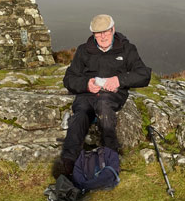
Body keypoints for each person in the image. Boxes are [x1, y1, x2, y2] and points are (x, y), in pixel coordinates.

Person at [55, 14, 151, 177]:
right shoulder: (84, 50)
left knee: (104, 107)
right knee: (80, 115)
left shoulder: (127, 49)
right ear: (93, 34)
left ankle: (111, 160)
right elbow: (69, 79)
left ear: (113, 29)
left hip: (113, 95)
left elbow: (144, 75)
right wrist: (86, 84)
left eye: (106, 31)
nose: (103, 36)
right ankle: (68, 164)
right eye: (98, 33)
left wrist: (119, 80)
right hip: (88, 94)